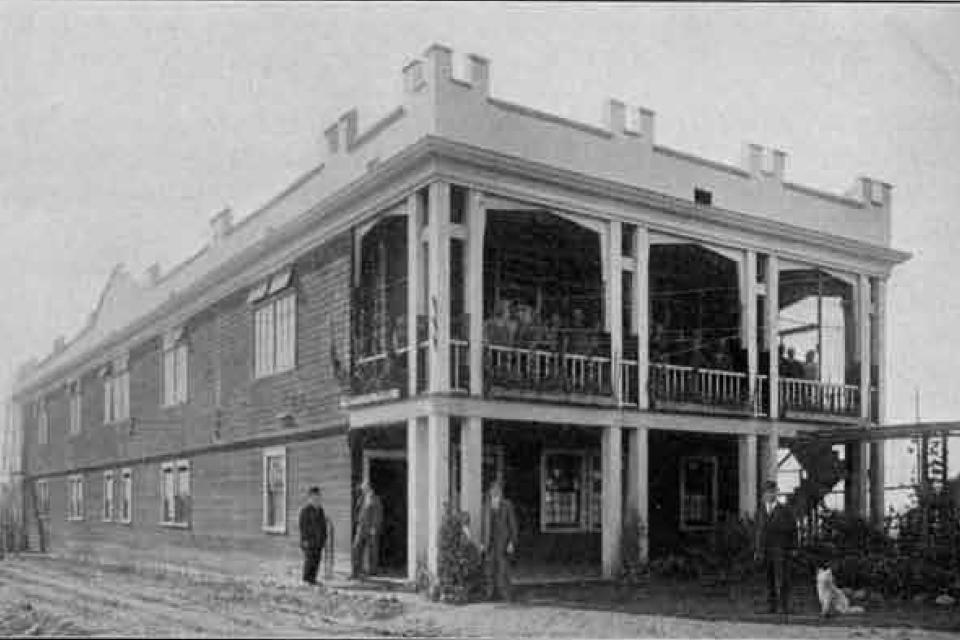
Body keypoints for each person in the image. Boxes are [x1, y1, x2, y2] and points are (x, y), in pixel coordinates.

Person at [755, 480, 798, 615]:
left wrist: (794, 547)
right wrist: (757, 550)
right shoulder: (761, 510)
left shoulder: (785, 510)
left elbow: (793, 529)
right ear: (763, 494)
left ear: (776, 492)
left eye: (772, 491)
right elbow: (758, 531)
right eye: (767, 492)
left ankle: (784, 606)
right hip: (765, 550)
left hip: (781, 549)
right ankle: (771, 606)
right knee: (769, 579)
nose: (769, 494)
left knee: (783, 578)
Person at [480, 480, 519, 602]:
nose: (495, 492)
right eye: (493, 489)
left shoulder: (507, 505)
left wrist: (512, 542)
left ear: (501, 492)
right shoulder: (486, 506)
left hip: (503, 542)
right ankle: (489, 594)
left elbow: (513, 525)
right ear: (490, 491)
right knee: (489, 570)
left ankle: (506, 595)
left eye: (498, 489)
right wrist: (482, 542)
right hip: (490, 543)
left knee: (503, 570)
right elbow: (484, 526)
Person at [353, 481, 383, 578]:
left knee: (372, 549)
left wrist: (374, 527)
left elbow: (378, 514)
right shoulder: (362, 498)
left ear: (369, 487)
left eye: (364, 487)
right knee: (357, 547)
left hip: (370, 527)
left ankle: (373, 571)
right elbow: (358, 510)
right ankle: (357, 570)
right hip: (361, 527)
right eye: (362, 488)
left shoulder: (375, 498)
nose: (362, 489)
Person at [298, 486, 328, 586]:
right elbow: (303, 526)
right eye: (315, 497)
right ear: (310, 497)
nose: (318, 499)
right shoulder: (305, 510)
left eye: (319, 497)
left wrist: (324, 537)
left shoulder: (320, 510)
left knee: (317, 560)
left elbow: (323, 525)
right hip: (309, 541)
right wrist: (305, 539)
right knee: (309, 560)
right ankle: (306, 579)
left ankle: (313, 578)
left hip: (319, 541)